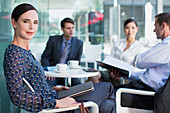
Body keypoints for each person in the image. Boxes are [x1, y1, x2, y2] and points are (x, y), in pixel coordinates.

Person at [3, 3, 115, 113]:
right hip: (56, 105)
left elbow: (34, 83)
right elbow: (17, 95)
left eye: (35, 22)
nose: (32, 27)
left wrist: (53, 89)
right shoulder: (15, 54)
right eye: (26, 21)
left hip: (55, 96)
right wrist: (56, 103)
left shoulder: (24, 52)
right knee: (108, 87)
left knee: (108, 105)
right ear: (14, 23)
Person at [113, 12, 170, 110]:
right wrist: (128, 74)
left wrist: (153, 49)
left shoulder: (167, 45)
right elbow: (149, 75)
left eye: (156, 26)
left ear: (163, 26)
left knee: (110, 93)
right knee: (108, 91)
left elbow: (140, 62)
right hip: (143, 88)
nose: (154, 30)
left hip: (147, 94)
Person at [88, 18, 147, 85]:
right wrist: (111, 72)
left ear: (137, 29)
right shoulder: (118, 43)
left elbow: (136, 69)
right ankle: (98, 94)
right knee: (93, 75)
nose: (130, 30)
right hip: (110, 73)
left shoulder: (139, 48)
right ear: (124, 29)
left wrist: (122, 75)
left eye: (133, 28)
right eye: (127, 28)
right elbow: (110, 59)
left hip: (124, 78)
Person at [41, 17, 83, 86]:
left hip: (69, 74)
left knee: (80, 87)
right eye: (68, 28)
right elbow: (45, 57)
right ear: (62, 29)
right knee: (47, 86)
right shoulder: (53, 40)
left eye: (72, 28)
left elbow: (77, 61)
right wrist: (48, 72)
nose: (71, 30)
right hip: (54, 73)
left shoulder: (79, 43)